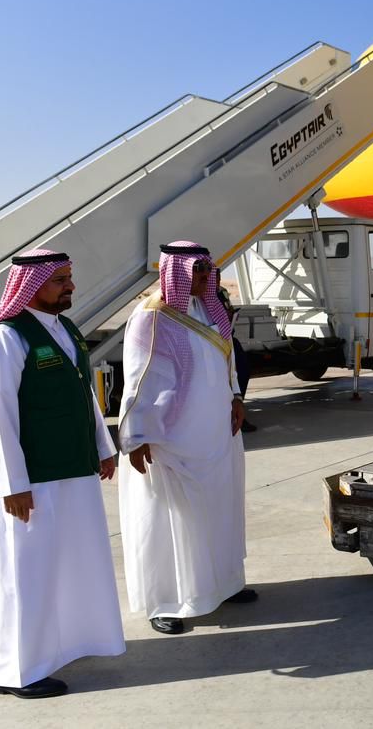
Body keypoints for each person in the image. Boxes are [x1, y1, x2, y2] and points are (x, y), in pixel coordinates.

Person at [0, 249, 125, 699]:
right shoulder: (7, 337)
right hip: (33, 479)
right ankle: (17, 671)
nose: (70, 286)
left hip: (74, 469)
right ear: (31, 286)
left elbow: (83, 395)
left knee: (73, 562)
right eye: (59, 280)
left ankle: (61, 647)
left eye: (70, 277)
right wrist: (12, 485)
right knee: (27, 572)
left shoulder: (66, 328)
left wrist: (102, 448)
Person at [117, 241, 255, 635]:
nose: (204, 277)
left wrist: (236, 396)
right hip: (171, 438)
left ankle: (224, 584)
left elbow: (226, 359)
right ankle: (165, 602)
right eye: (196, 270)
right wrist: (137, 436)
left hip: (216, 433)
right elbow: (138, 379)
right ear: (175, 271)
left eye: (207, 269)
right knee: (168, 517)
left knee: (218, 508)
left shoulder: (209, 310)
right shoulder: (151, 317)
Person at [216, 272, 257, 433]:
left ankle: (238, 409)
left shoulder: (221, 292)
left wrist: (231, 315)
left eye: (218, 278)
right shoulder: (202, 295)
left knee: (243, 370)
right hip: (214, 341)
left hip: (229, 338)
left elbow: (229, 308)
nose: (217, 281)